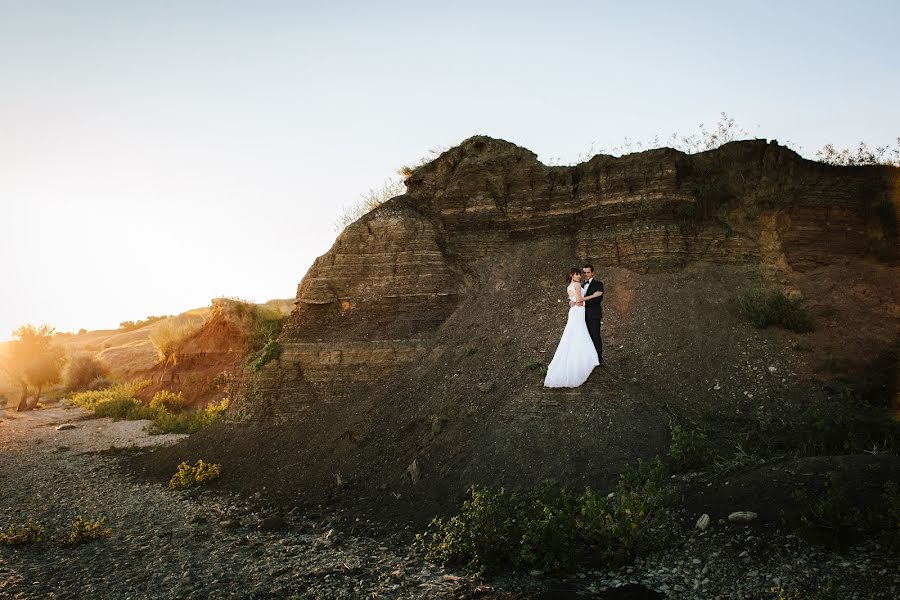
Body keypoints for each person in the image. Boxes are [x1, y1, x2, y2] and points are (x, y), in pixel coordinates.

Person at [543, 268, 600, 388]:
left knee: (572, 334)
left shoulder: (569, 286)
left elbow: (572, 300)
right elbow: (579, 300)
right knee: (579, 333)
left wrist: (573, 302)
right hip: (578, 311)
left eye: (579, 274)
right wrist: (594, 295)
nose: (579, 276)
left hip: (573, 311)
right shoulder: (578, 285)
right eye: (577, 274)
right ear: (572, 275)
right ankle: (584, 359)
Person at [580, 263, 604, 364]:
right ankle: (588, 359)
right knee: (586, 337)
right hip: (581, 316)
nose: (586, 274)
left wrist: (582, 302)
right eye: (584, 272)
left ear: (592, 273)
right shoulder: (580, 285)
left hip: (594, 315)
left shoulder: (598, 284)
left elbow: (598, 299)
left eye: (588, 272)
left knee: (595, 336)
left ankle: (598, 358)